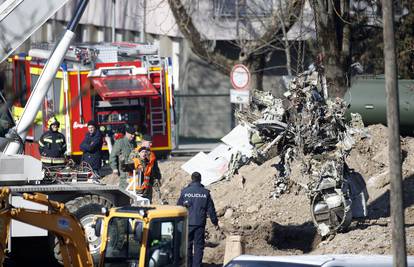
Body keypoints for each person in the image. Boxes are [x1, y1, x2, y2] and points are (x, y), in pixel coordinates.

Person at [177, 172, 219, 267]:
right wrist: (215, 222)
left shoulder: (185, 191)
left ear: (192, 179)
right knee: (199, 246)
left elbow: (178, 207)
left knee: (187, 245)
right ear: (200, 180)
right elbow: (211, 209)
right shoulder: (205, 193)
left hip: (187, 222)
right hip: (200, 224)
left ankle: (188, 264)